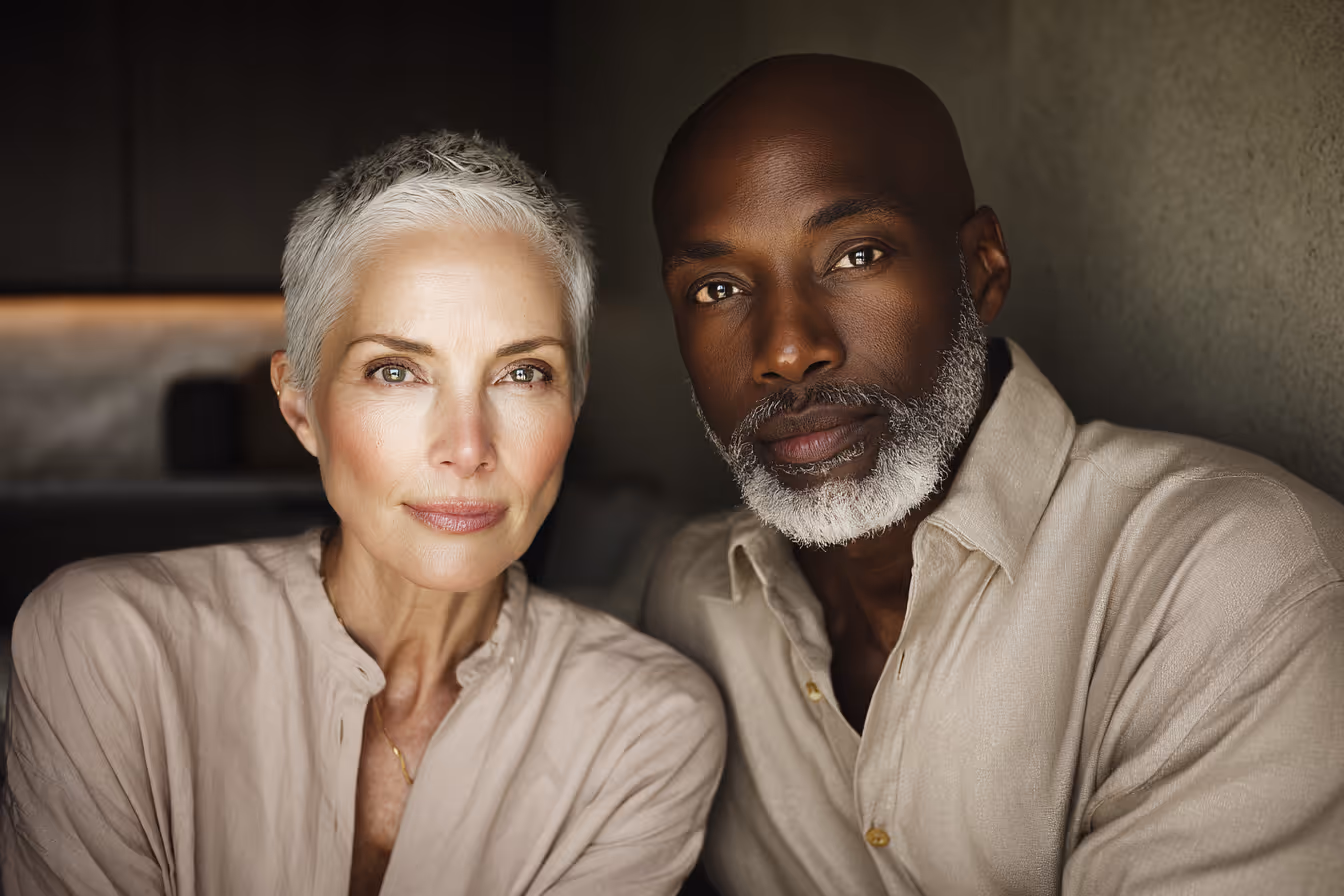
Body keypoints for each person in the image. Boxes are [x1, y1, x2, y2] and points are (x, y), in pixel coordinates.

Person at [644, 54, 1344, 895]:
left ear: (980, 269)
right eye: (716, 288)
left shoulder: (1233, 580)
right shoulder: (693, 604)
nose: (788, 351)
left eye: (856, 255)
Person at [2, 131, 725, 895]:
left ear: (572, 406)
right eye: (396, 371)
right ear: (300, 407)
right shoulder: (109, 644)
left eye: (522, 373)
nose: (468, 448)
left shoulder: (646, 725)